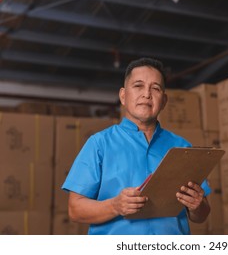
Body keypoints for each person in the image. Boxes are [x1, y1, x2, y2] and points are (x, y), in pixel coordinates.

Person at [62, 57, 211, 235]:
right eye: (138, 86)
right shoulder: (99, 144)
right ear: (123, 96)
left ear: (163, 101)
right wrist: (114, 206)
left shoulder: (182, 147)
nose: (146, 94)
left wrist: (197, 206)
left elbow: (201, 215)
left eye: (155, 88)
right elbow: (75, 209)